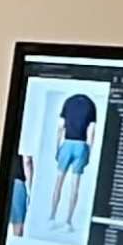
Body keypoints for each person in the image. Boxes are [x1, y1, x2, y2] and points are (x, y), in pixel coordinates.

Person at [48, 86, 97, 232]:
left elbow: (60, 127)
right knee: (75, 186)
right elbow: (92, 131)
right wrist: (89, 151)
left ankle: (52, 217)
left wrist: (57, 148)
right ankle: (68, 222)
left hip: (67, 143)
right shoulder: (90, 104)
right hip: (81, 145)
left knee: (58, 183)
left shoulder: (68, 102)